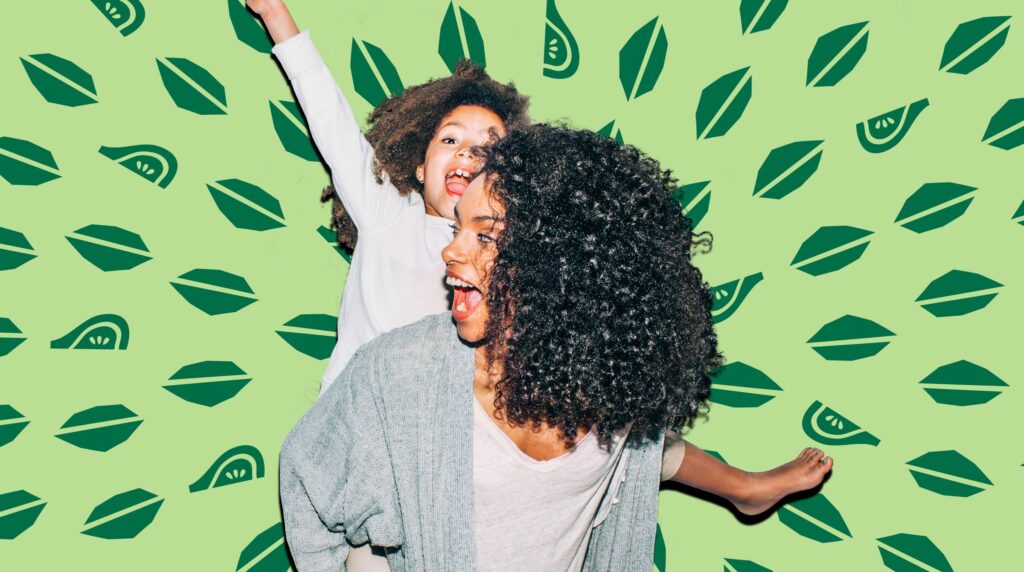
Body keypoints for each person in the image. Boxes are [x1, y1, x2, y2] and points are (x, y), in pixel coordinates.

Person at [279, 124, 834, 571]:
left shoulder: (608, 375)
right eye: (455, 229)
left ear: (560, 265)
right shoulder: (397, 374)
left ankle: (745, 488)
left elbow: (647, 456)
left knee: (646, 448)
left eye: (485, 235)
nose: (451, 253)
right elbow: (309, 481)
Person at [248, 0, 531, 396]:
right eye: (451, 139)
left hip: (433, 437)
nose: (467, 152)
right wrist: (275, 14)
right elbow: (330, 118)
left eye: (487, 147)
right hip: (350, 424)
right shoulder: (388, 215)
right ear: (419, 165)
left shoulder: (508, 251)